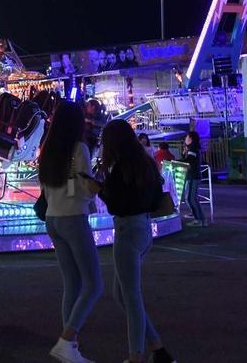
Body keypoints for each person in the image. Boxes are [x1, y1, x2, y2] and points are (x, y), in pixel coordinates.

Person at [98, 120, 177, 363]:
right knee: (121, 294)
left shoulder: (120, 169)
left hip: (126, 231)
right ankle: (158, 349)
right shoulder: (145, 164)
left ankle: (136, 356)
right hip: (143, 229)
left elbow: (116, 205)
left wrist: (98, 188)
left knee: (130, 299)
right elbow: (154, 198)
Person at [39, 101, 102, 363]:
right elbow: (83, 188)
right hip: (74, 217)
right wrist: (97, 189)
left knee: (72, 283)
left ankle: (69, 346)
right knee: (94, 283)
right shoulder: (79, 148)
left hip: (53, 218)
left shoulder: (48, 150)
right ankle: (67, 340)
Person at [180, 131, 207, 226]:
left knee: (190, 198)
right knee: (192, 198)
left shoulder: (193, 148)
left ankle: (198, 220)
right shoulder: (192, 148)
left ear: (190, 138)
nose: (185, 139)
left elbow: (190, 160)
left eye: (186, 137)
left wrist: (176, 161)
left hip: (193, 176)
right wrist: (184, 154)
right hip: (192, 176)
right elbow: (189, 159)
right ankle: (201, 219)